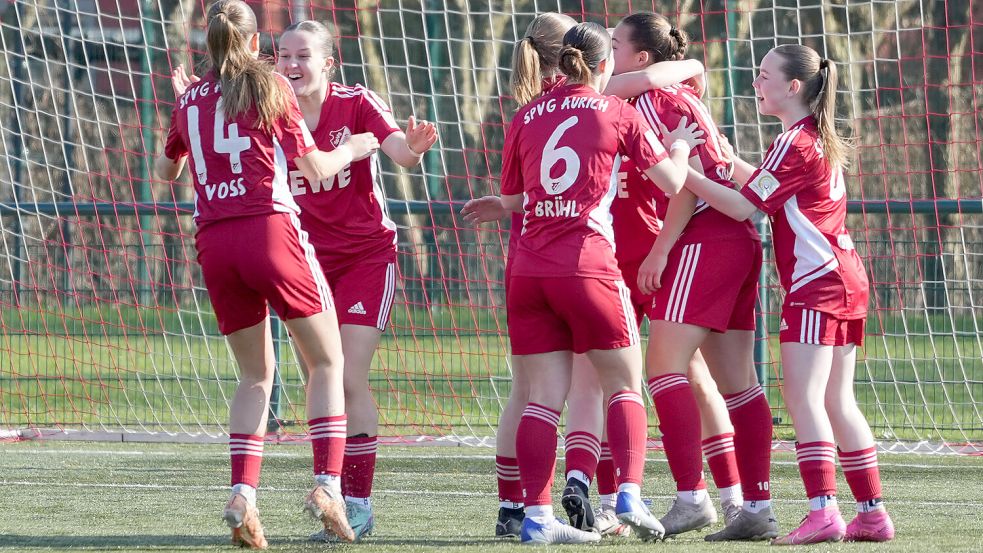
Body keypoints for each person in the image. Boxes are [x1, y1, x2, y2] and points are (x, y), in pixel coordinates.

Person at [461, 12, 706, 539]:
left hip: (528, 269)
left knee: (541, 396)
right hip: (586, 263)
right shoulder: (615, 110)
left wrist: (502, 207)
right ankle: (630, 500)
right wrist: (682, 144)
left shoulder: (526, 114)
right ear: (602, 64)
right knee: (623, 384)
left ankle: (537, 518)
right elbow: (670, 182)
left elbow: (514, 197)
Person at [156, 1, 378, 547]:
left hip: (213, 242)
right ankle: (327, 485)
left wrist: (187, 115)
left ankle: (243, 496)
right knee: (327, 361)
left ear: (207, 46)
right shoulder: (271, 88)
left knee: (254, 376)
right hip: (269, 233)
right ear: (257, 45)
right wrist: (354, 146)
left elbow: (166, 171)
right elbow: (316, 168)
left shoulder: (190, 100)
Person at [679, 44, 894, 544]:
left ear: (792, 87)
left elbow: (741, 208)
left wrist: (681, 171)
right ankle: (872, 513)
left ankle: (824, 512)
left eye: (763, 75)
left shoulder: (794, 141)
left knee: (804, 399)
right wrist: (727, 161)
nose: (756, 82)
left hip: (817, 281)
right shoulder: (808, 137)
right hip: (842, 277)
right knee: (838, 400)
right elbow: (768, 188)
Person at [609, 12, 779, 541]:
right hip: (739, 238)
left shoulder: (652, 102)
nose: (606, 50)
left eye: (615, 43)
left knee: (662, 368)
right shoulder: (674, 93)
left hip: (705, 236)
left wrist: (661, 251)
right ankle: (754, 506)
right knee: (738, 384)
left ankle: (692, 497)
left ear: (641, 58)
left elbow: (687, 182)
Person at [275, 19, 437, 542]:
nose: (291, 65)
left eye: (302, 55)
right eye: (283, 56)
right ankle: (333, 493)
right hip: (303, 260)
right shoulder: (268, 105)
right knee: (320, 378)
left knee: (346, 375)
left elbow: (399, 152)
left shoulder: (356, 102)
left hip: (367, 256)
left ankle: (358, 504)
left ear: (329, 62)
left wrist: (413, 147)